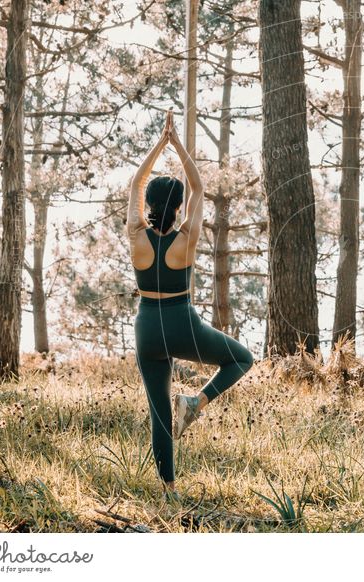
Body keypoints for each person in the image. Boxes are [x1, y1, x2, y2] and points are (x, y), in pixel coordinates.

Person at [126, 110, 254, 503]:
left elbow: (135, 185)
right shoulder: (187, 238)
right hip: (182, 323)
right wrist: (178, 144)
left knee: (158, 414)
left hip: (147, 327)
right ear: (179, 208)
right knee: (241, 359)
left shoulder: (136, 235)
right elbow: (197, 187)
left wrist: (157, 146)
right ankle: (195, 402)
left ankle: (169, 491)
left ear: (148, 204)